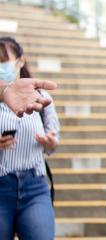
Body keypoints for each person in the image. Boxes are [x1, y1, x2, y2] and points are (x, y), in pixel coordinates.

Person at [0, 37, 60, 240]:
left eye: (3, 59)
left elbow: (53, 140)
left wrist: (50, 142)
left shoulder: (40, 96)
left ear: (20, 61)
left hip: (35, 186)